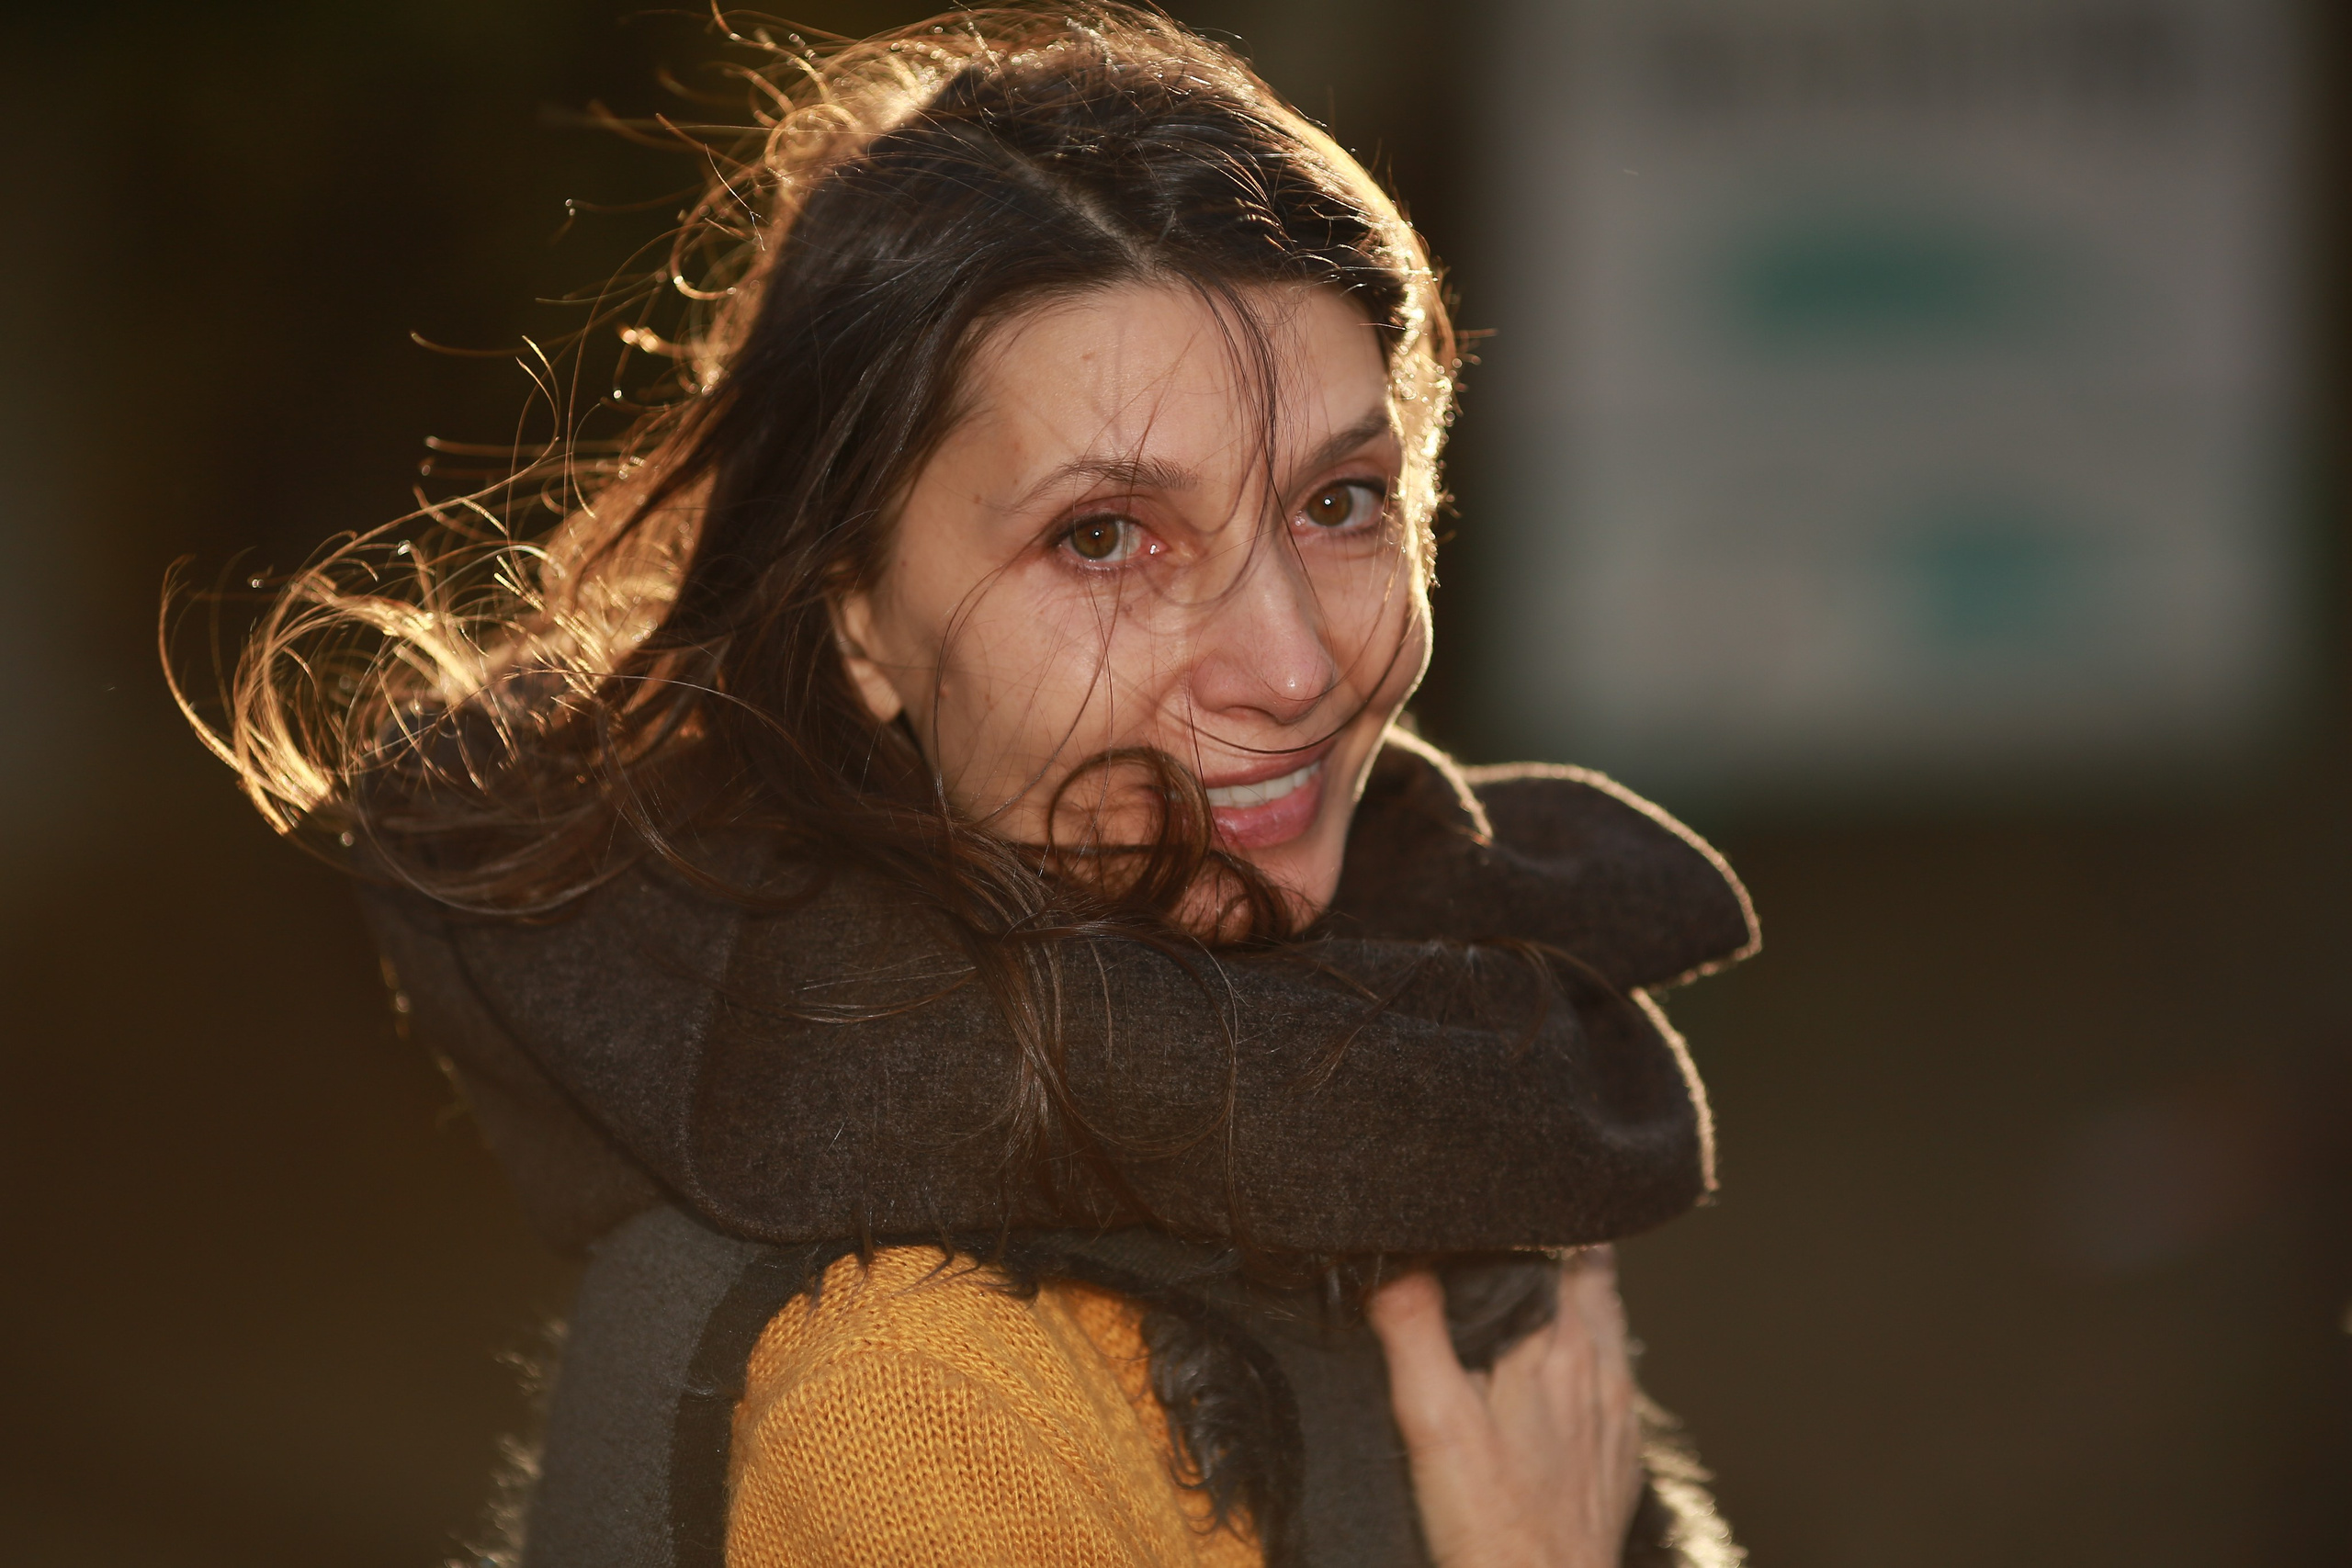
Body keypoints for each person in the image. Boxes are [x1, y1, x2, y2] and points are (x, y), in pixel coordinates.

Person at [173, 7, 1757, 1566]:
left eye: (1341, 500)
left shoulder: (1385, 1074)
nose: (1289, 664)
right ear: (861, 623)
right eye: (1102, 536)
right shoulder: (914, 1395)